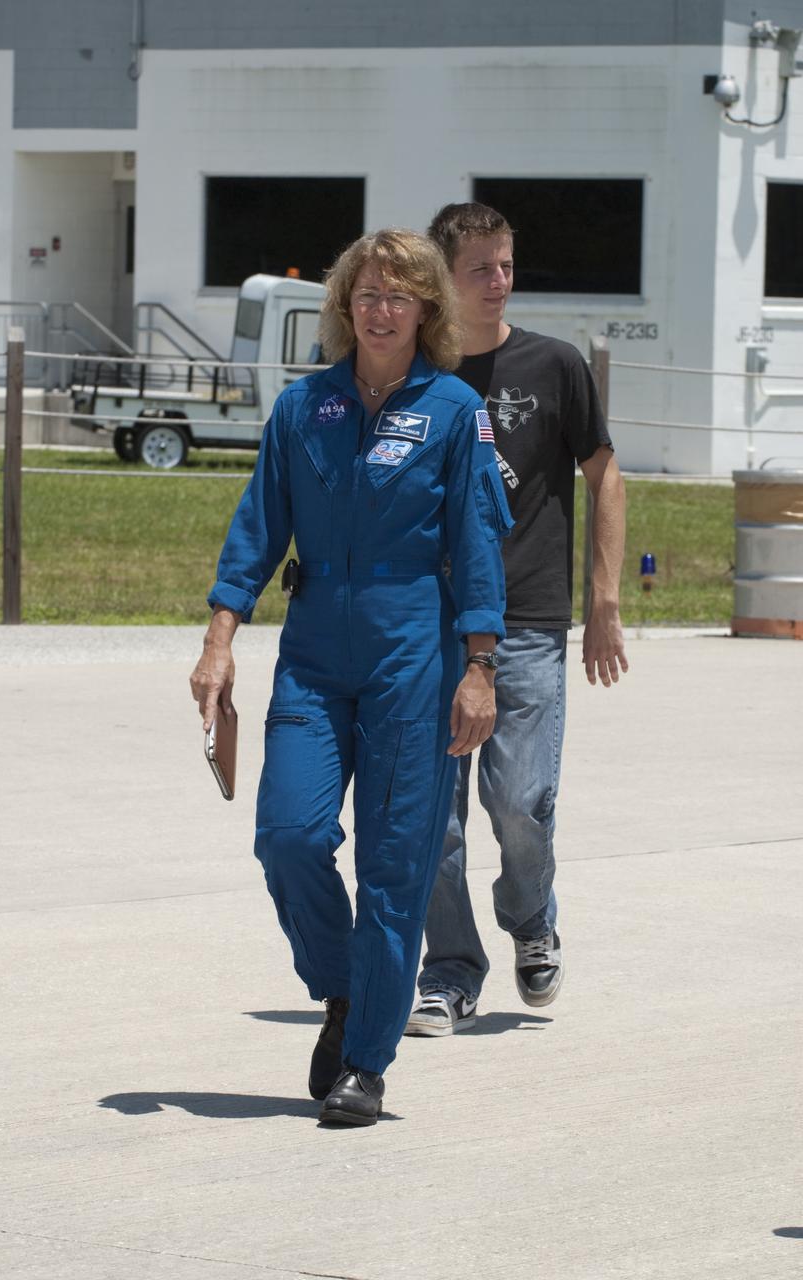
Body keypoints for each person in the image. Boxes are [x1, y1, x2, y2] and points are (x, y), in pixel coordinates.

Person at [190, 228, 512, 1125]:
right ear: (344, 306)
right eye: (366, 294)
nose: (380, 310)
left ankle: (366, 1058)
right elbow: (256, 528)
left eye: (398, 296)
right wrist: (220, 638)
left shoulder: (453, 412)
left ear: (425, 312)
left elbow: (479, 543)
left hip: (417, 647)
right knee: (287, 835)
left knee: (395, 862)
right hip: (316, 649)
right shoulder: (304, 409)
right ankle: (340, 987)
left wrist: (480, 666)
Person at [405, 202, 627, 1037]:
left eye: (506, 266)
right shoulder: (413, 375)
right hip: (427, 623)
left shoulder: (555, 365)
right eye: (480, 270)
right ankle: (451, 970)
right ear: (442, 278)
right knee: (432, 812)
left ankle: (532, 923)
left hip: (530, 616)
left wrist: (604, 601)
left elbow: (606, 476)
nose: (499, 283)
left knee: (521, 800)